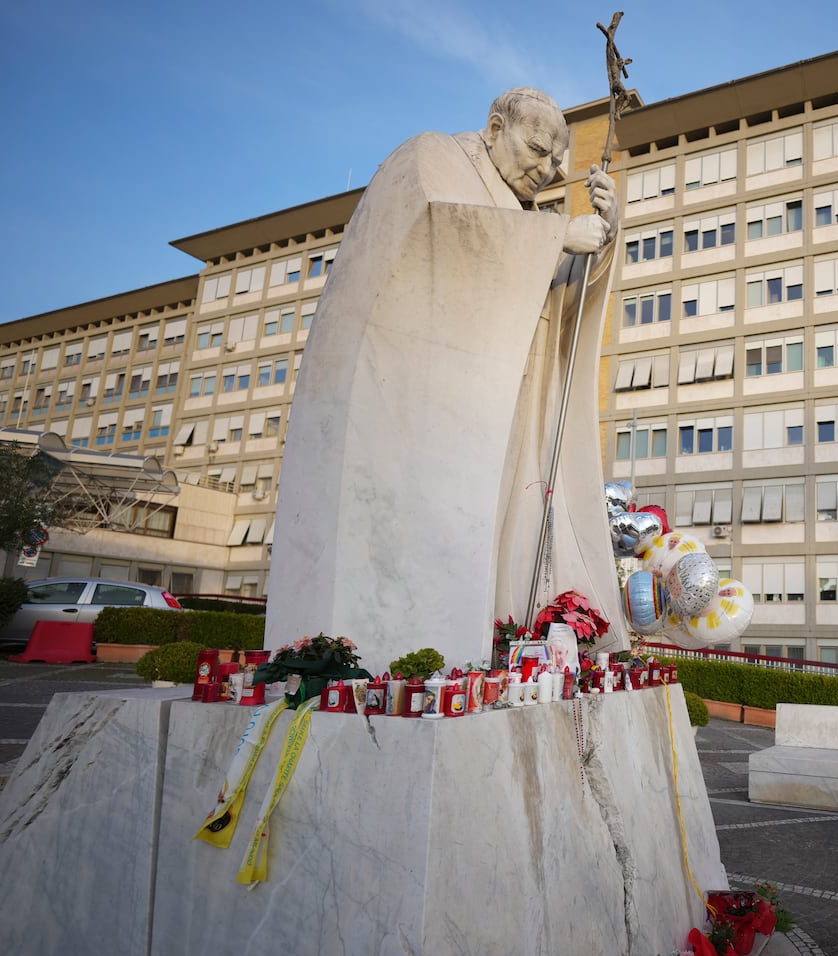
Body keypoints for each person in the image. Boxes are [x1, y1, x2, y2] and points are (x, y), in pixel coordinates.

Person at [268, 87, 629, 669]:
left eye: (554, 163)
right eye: (536, 152)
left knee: (512, 531)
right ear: (494, 127)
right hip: (429, 414)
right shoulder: (432, 158)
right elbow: (432, 234)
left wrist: (602, 242)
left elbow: (557, 304)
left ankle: (508, 641)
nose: (545, 171)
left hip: (508, 400)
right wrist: (555, 237)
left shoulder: (528, 215)